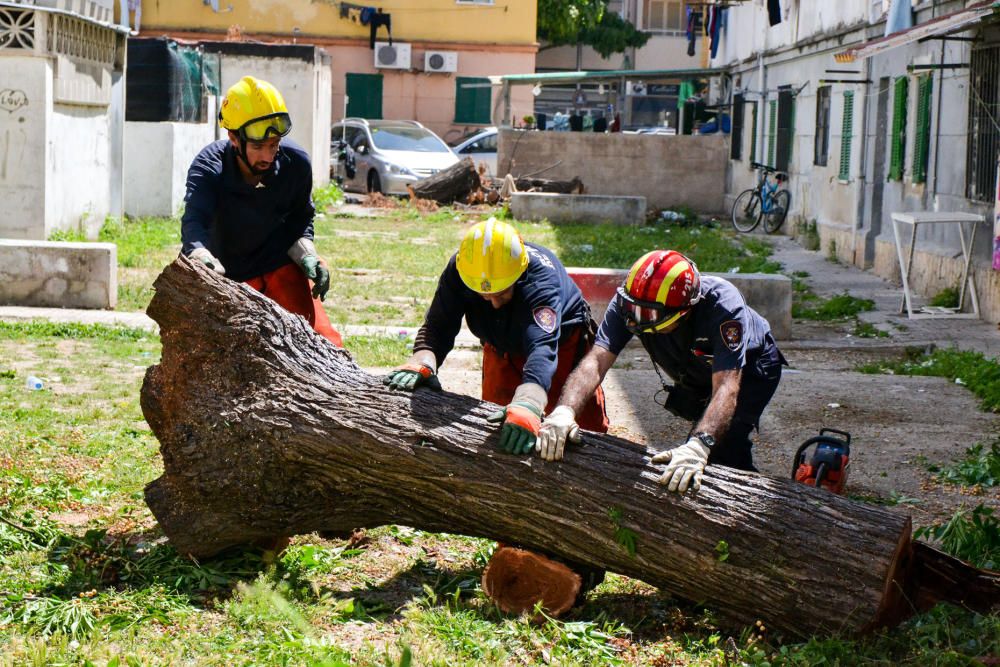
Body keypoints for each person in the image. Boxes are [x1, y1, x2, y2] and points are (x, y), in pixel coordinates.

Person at [383, 218, 609, 612]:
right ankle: (516, 548)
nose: (493, 301)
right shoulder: (462, 271)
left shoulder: (541, 281)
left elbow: (543, 352)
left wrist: (529, 403)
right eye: (483, 294)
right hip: (501, 348)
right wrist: (424, 361)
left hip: (563, 348)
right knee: (503, 443)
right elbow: (438, 326)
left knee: (575, 443)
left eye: (503, 292)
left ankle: (587, 547)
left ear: (518, 273)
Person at [537, 250, 785, 493]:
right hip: (695, 365)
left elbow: (727, 386)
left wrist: (700, 445)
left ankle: (756, 509)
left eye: (649, 315)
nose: (635, 320)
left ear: (685, 310)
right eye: (632, 310)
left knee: (720, 449)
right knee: (725, 448)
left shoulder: (723, 306)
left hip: (750, 368)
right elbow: (596, 362)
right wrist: (564, 410)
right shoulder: (629, 302)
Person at [180, 75, 343, 348]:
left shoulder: (296, 163)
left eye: (274, 145)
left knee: (323, 347)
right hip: (226, 276)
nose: (268, 156)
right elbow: (194, 224)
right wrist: (201, 259)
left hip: (278, 266)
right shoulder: (209, 167)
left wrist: (308, 255)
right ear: (233, 138)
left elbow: (301, 218)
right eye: (258, 147)